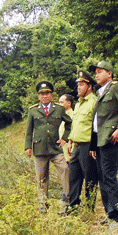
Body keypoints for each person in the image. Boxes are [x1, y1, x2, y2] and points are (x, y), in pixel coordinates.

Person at [88, 61, 118, 227]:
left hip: (110, 138)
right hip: (100, 141)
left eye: (100, 71)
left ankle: (117, 215)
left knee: (109, 176)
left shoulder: (115, 88)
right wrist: (93, 145)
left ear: (109, 73)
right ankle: (109, 213)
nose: (96, 75)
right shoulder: (100, 92)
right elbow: (96, 123)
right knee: (102, 177)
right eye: (96, 72)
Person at [25, 81, 72, 213]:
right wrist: (27, 147)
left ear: (51, 95)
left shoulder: (59, 109)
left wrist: (65, 138)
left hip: (55, 148)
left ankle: (67, 201)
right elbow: (29, 130)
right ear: (38, 96)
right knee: (41, 178)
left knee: (65, 170)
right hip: (39, 149)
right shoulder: (33, 110)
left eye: (47, 93)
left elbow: (69, 123)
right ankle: (43, 205)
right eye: (42, 94)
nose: (44, 96)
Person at [63, 70, 99, 214]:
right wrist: (70, 140)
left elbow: (96, 126)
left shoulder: (94, 103)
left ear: (89, 86)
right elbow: (75, 124)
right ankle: (73, 208)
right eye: (78, 84)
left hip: (88, 146)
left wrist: (94, 146)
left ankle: (90, 209)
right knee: (74, 178)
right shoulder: (78, 104)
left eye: (82, 84)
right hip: (76, 146)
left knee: (90, 178)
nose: (78, 87)